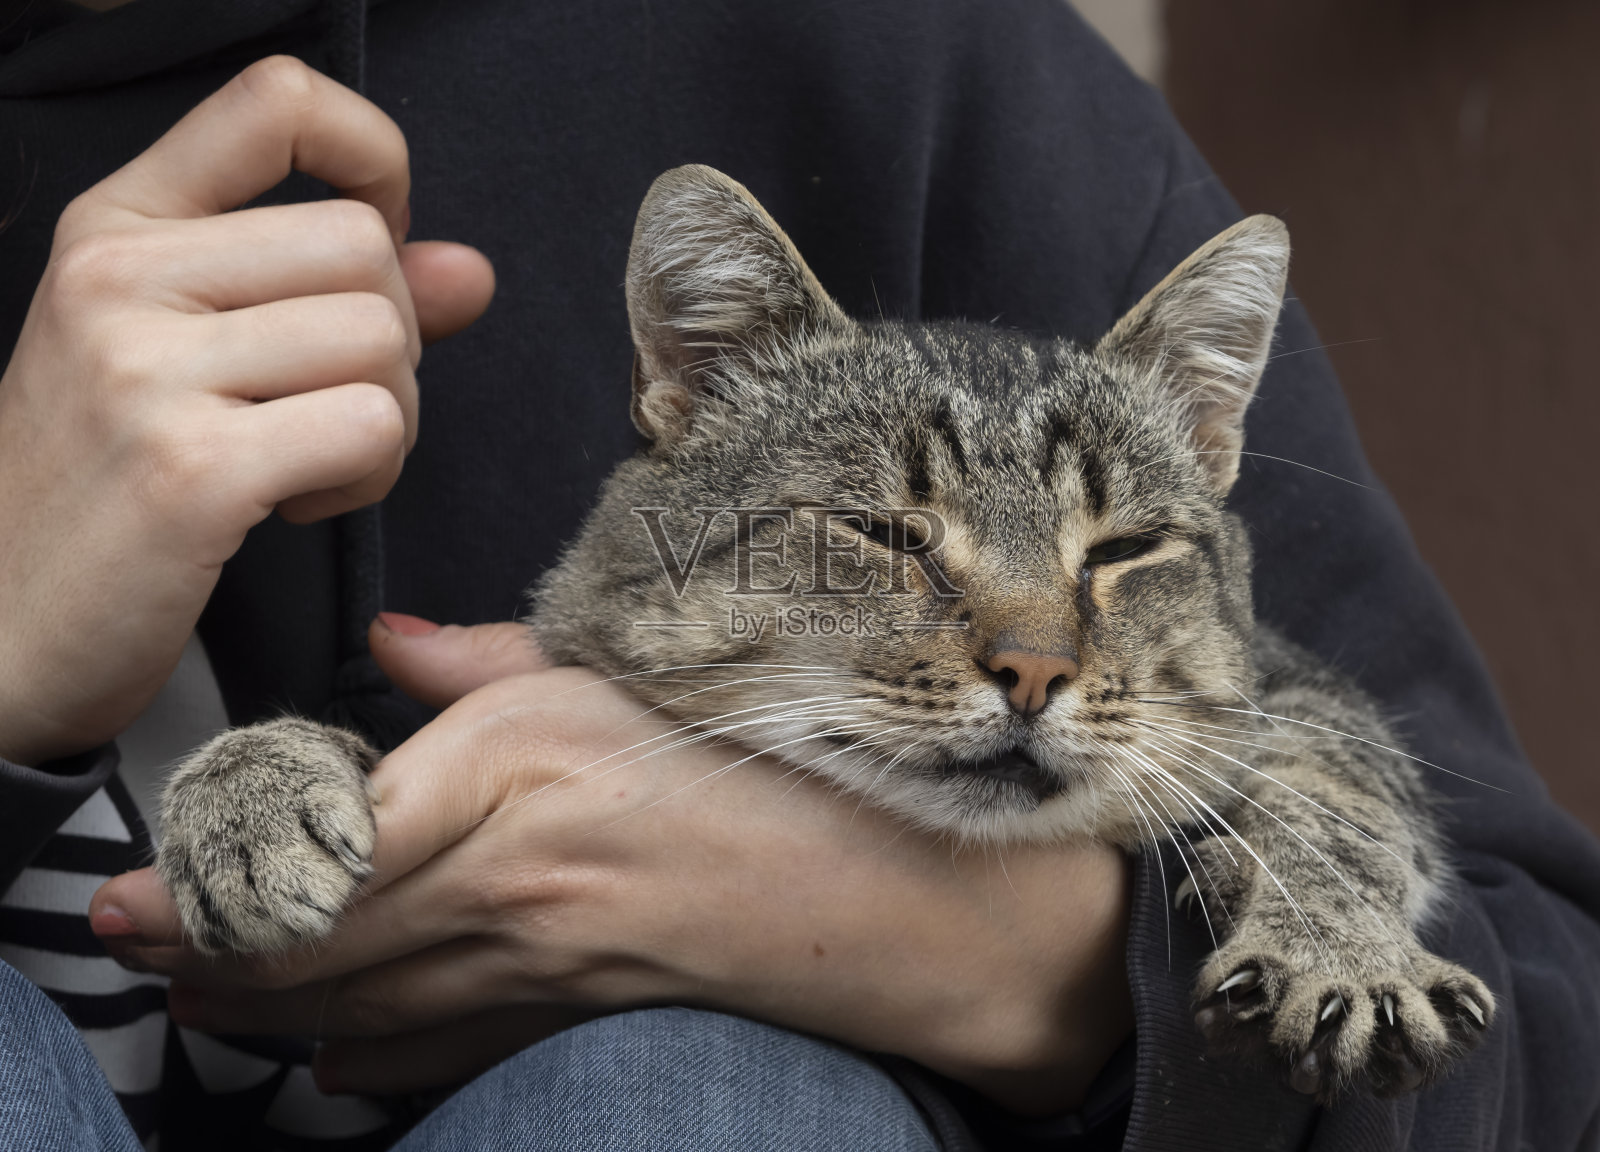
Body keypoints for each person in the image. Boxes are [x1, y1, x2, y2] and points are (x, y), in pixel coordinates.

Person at [1, 1, 1598, 1150]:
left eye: (1114, 557)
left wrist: (1058, 981)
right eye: (895, 539)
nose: (1028, 653)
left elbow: (1514, 966)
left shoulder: (905, 54)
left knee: (702, 1093)